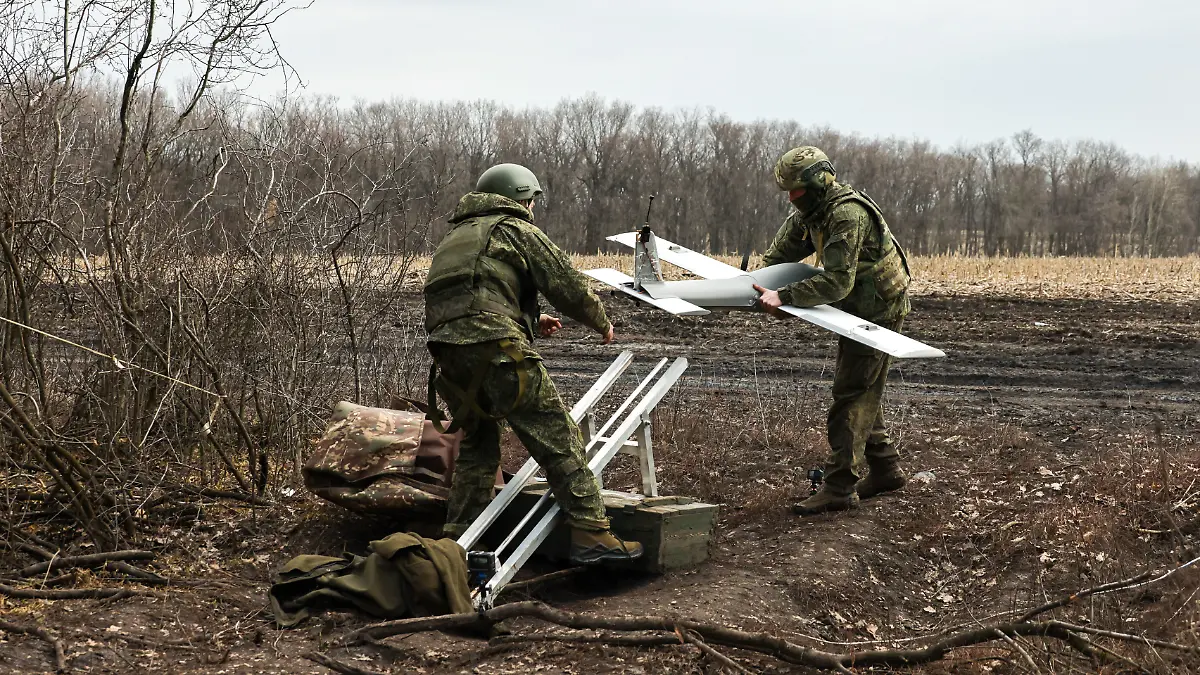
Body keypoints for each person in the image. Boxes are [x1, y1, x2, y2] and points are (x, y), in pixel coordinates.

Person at [423, 162, 643, 564]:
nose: (534, 209)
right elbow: (566, 283)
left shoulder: (457, 237)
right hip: (495, 347)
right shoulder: (514, 228)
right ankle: (592, 532)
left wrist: (528, 319)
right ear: (522, 198)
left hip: (448, 356)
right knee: (557, 435)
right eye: (532, 201)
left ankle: (455, 544)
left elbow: (471, 298)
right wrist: (600, 320)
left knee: (476, 446)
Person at [753, 147, 912, 516]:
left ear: (818, 183)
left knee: (851, 395)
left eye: (796, 190)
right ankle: (886, 468)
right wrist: (765, 288)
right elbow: (778, 258)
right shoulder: (812, 211)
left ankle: (840, 486)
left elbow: (838, 282)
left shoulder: (846, 214)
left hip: (879, 309)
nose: (791, 198)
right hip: (859, 303)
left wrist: (787, 297)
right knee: (863, 389)